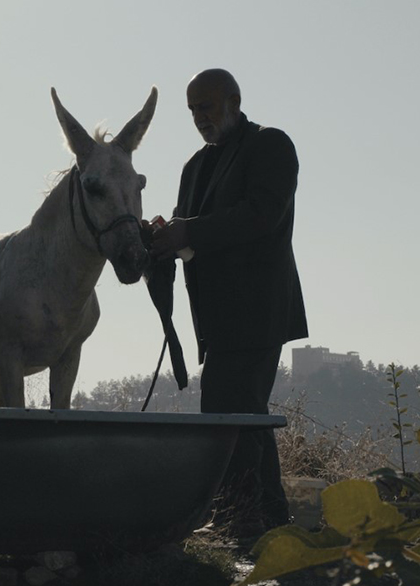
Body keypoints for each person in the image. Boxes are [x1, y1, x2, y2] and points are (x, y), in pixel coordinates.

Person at [152, 69, 308, 537]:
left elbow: (261, 215)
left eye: (207, 106)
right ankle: (270, 521)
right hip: (216, 318)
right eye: (193, 110)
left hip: (258, 310)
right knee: (245, 415)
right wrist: (163, 236)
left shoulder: (270, 145)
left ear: (234, 101)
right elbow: (190, 233)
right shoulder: (193, 166)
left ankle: (238, 520)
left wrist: (189, 231)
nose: (200, 117)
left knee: (227, 412)